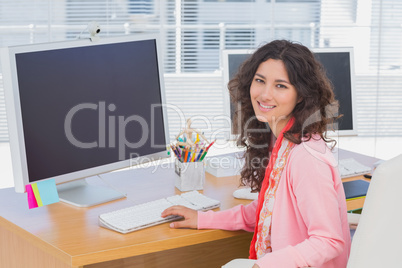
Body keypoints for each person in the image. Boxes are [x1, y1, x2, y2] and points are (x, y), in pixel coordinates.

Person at [162, 40, 351, 268]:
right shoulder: (280, 141)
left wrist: (264, 265)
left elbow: (329, 241)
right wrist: (203, 218)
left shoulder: (305, 157)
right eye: (260, 81)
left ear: (300, 95)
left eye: (280, 86)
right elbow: (265, 211)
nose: (264, 94)